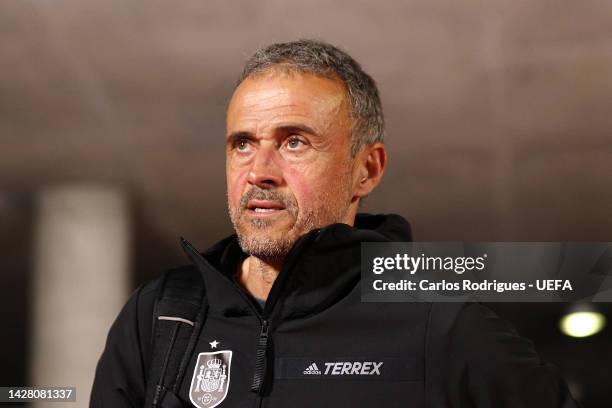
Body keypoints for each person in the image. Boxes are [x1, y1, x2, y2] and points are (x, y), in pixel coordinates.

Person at [90, 39, 579, 408]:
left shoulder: (441, 321)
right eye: (243, 143)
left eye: (294, 142)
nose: (258, 170)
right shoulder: (161, 315)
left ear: (365, 170)